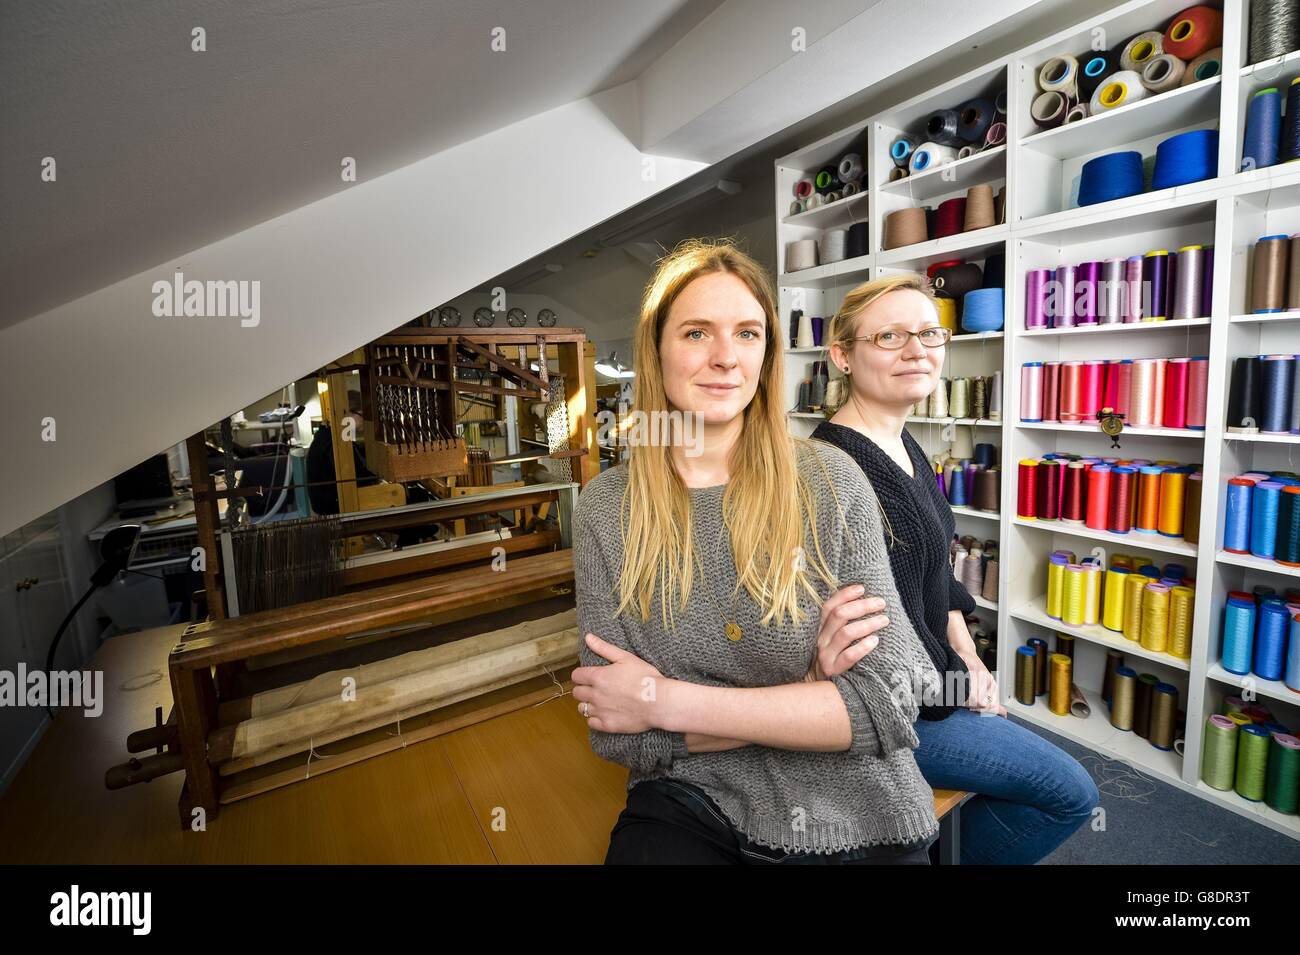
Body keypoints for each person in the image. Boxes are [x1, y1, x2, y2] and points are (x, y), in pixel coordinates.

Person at [571, 239, 941, 864]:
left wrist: (664, 699)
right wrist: (811, 693)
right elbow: (618, 734)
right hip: (690, 803)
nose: (724, 358)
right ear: (656, 349)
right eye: (695, 333)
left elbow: (899, 696)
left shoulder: (831, 481)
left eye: (747, 333)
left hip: (859, 809)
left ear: (767, 355)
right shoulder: (606, 509)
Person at [812, 272, 1099, 865]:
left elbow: (935, 579)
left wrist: (969, 656)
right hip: (890, 708)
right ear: (842, 355)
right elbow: (873, 628)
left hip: (939, 681)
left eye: (929, 332)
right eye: (890, 336)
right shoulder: (833, 467)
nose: (918, 350)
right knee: (1071, 794)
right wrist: (958, 688)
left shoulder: (905, 443)